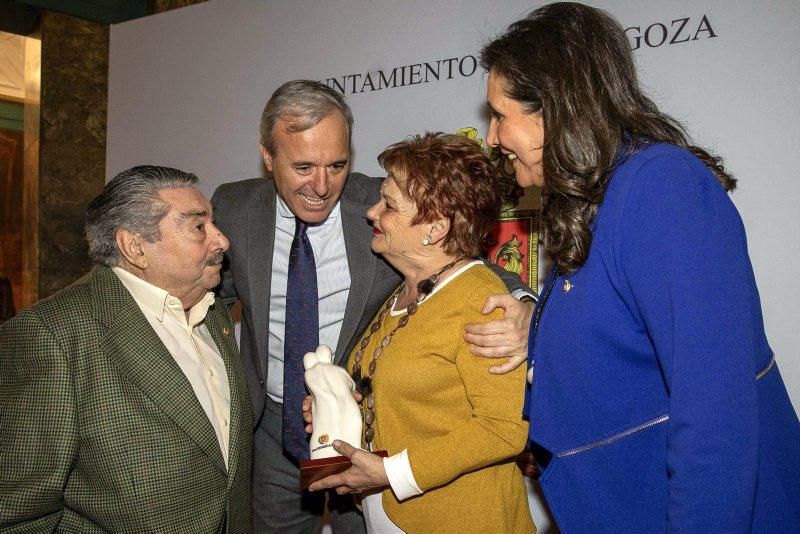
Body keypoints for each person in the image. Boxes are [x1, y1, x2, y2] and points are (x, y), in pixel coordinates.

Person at [480, 2, 800, 532]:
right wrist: (534, 329)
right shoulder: (591, 202)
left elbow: (716, 414)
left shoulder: (660, 188)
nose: (492, 137)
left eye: (500, 114)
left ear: (555, 109)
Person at [211, 80, 535, 533]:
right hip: (272, 433)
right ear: (268, 157)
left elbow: (466, 268)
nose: (322, 186)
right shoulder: (234, 208)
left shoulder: (385, 207)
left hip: (372, 445)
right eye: (303, 166)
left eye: (337, 165)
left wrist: (525, 308)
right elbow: (206, 293)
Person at [0, 166, 252, 532]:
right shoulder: (52, 336)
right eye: (199, 227)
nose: (222, 240)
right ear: (135, 247)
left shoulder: (214, 317)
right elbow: (16, 511)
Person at [308, 132, 535, 533]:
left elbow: (505, 428)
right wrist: (339, 408)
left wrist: (393, 472)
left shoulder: (478, 301)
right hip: (392, 517)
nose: (371, 213)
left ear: (434, 227)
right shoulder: (405, 288)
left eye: (389, 205)